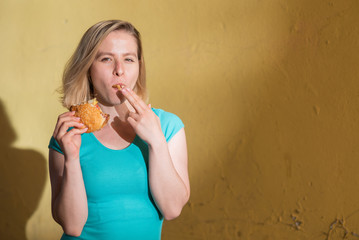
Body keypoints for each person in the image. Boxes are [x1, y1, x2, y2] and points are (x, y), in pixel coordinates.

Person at [48, 20, 190, 240]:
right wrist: (72, 158)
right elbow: (72, 226)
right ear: (88, 68)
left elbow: (172, 210)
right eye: (106, 59)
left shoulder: (168, 126)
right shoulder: (69, 133)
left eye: (128, 59)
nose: (119, 71)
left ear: (139, 66)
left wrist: (156, 141)